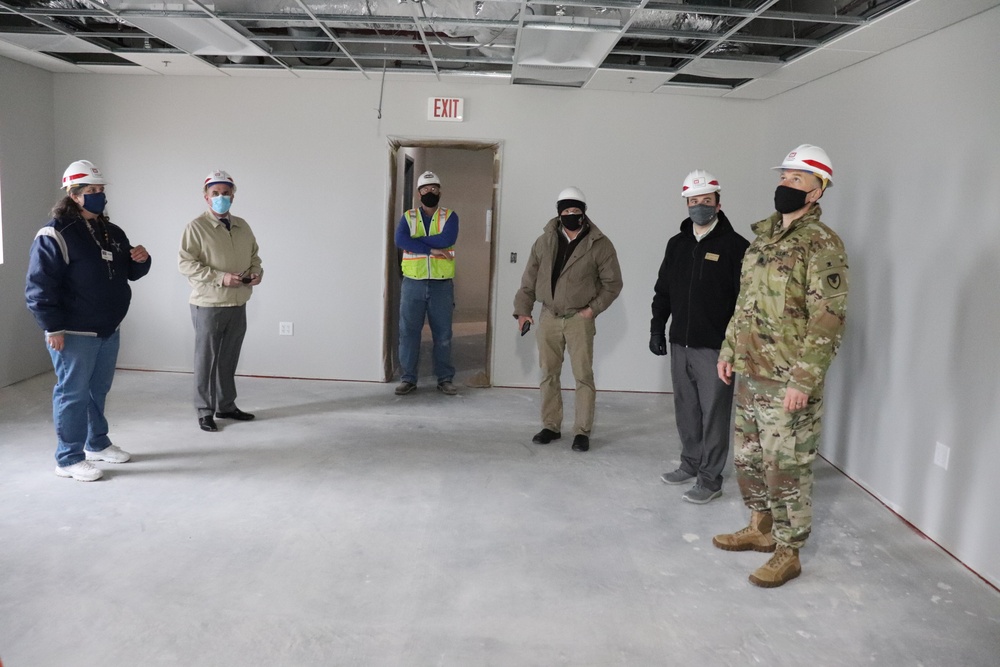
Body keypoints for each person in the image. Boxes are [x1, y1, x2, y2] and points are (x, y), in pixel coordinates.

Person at [713, 144, 849, 588]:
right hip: (753, 372)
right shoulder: (763, 239)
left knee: (786, 466)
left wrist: (804, 380)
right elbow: (744, 304)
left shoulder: (821, 243)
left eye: (797, 179)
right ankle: (760, 528)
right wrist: (729, 351)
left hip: (788, 379)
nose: (786, 184)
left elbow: (828, 317)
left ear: (817, 191)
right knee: (751, 459)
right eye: (784, 176)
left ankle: (789, 551)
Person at [26, 160, 152, 482]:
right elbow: (39, 287)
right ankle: (68, 458)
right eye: (91, 191)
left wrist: (142, 260)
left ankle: (96, 443)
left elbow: (127, 273)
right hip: (73, 332)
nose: (98, 195)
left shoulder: (111, 231)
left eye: (100, 190)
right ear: (74, 195)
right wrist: (52, 327)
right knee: (73, 393)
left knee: (98, 390)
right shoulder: (55, 233)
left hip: (108, 328)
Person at [650, 170, 749, 504]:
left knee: (715, 414)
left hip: (716, 349)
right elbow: (662, 291)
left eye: (706, 201)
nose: (699, 207)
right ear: (686, 204)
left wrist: (734, 348)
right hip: (681, 344)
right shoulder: (676, 245)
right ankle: (690, 463)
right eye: (694, 201)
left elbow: (744, 304)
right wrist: (657, 328)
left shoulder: (736, 248)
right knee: (686, 409)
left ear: (718, 204)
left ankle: (710, 478)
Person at [514, 187, 623, 453]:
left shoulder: (599, 244)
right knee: (548, 374)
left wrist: (592, 309)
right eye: (566, 211)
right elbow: (529, 279)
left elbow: (613, 283)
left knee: (583, 375)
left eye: (576, 211)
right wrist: (523, 310)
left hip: (578, 319)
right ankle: (551, 426)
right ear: (559, 213)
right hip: (549, 316)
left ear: (584, 213)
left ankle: (582, 432)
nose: (571, 215)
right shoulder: (544, 241)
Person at [178, 170, 262, 432]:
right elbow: (186, 263)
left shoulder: (242, 226)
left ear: (233, 195)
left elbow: (254, 256)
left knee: (228, 358)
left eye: (226, 193)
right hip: (209, 304)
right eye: (215, 194)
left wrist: (256, 272)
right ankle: (205, 411)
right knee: (206, 360)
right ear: (206, 197)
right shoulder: (196, 227)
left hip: (238, 302)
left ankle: (226, 405)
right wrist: (220, 278)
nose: (221, 198)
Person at [394, 170, 459, 396]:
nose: (430, 192)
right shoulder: (408, 217)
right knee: (408, 333)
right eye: (425, 189)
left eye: (433, 188)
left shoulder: (449, 216)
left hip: (441, 284)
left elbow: (447, 239)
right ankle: (408, 378)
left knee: (443, 334)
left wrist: (414, 242)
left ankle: (444, 378)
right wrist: (431, 249)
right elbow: (399, 240)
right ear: (419, 193)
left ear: (439, 191)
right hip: (413, 283)